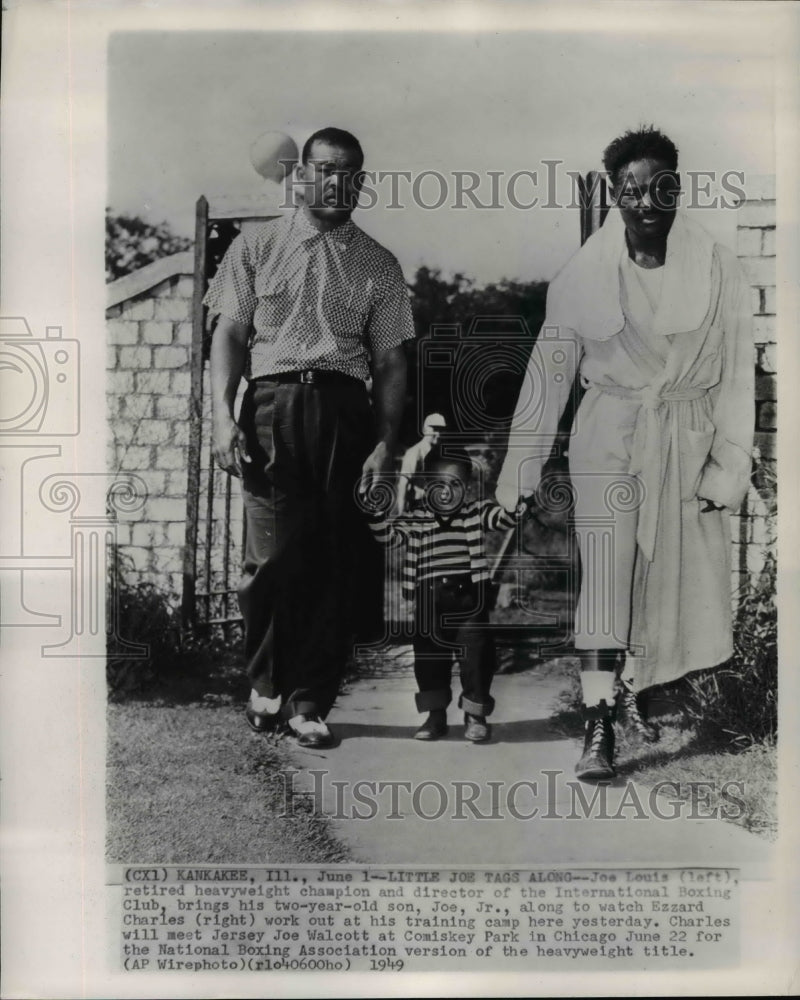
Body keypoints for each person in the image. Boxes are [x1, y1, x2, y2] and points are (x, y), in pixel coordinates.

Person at [496, 127, 754, 779]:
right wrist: (520, 474)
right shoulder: (583, 274)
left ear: (678, 188)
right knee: (607, 577)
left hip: (684, 436)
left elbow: (735, 377)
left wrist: (727, 468)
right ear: (614, 195)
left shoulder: (717, 265)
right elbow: (548, 377)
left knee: (671, 575)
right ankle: (599, 721)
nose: (646, 202)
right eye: (631, 190)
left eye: (660, 187)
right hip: (608, 433)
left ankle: (642, 690)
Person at [205, 126, 415, 749]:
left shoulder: (378, 262)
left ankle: (308, 703)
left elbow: (392, 364)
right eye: (326, 170)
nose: (337, 183)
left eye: (350, 173)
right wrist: (221, 415)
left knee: (334, 562)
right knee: (268, 559)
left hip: (345, 411)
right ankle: (266, 682)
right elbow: (230, 336)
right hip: (270, 405)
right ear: (301, 176)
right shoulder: (255, 245)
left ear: (361, 182)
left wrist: (386, 444)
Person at [367, 445, 526, 742]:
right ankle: (435, 716)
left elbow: (501, 519)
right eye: (439, 484)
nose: (446, 492)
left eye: (455, 485)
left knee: (477, 657)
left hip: (469, 601)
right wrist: (375, 512)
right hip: (428, 601)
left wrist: (516, 507)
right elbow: (388, 537)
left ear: (466, 487)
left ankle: (475, 714)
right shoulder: (416, 518)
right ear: (426, 485)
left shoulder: (476, 511)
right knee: (429, 660)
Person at [395, 412, 447, 513]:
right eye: (435, 429)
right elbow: (403, 485)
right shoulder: (414, 453)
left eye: (441, 430)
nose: (439, 434)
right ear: (424, 430)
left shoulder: (439, 453)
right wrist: (400, 517)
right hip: (418, 506)